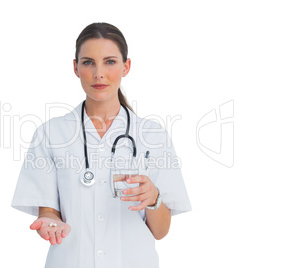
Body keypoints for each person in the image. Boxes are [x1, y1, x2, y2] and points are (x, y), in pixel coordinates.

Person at [11, 22, 192, 268]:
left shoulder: (153, 135)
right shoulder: (51, 134)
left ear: (126, 67)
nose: (99, 73)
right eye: (88, 62)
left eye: (110, 61)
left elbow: (160, 231)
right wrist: (50, 222)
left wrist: (153, 198)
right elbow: (48, 212)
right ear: (75, 68)